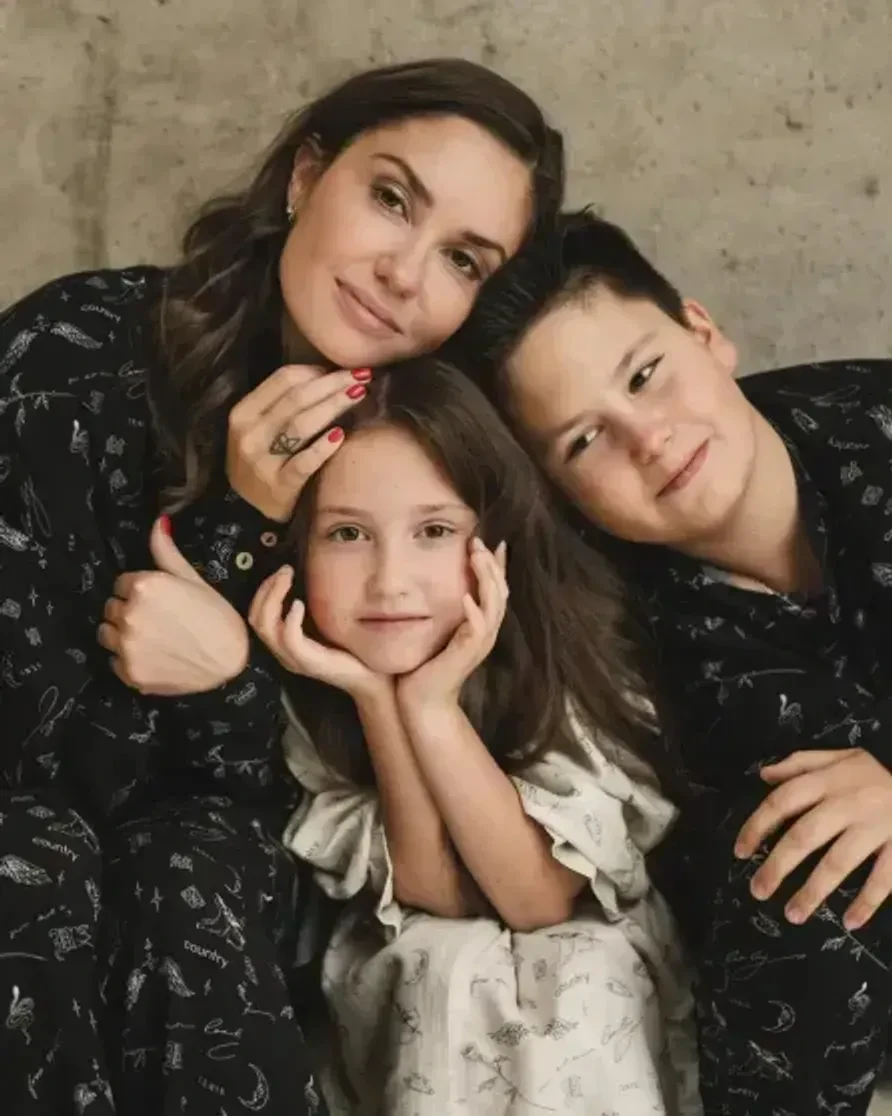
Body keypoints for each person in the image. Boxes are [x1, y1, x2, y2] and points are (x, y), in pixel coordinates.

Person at [0, 58, 563, 1114]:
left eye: (462, 259)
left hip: (247, 855)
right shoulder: (77, 353)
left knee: (190, 872)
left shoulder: (432, 445)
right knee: (32, 860)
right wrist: (237, 528)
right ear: (308, 175)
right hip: (34, 801)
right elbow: (39, 752)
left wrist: (228, 677)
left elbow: (271, 792)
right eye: (390, 199)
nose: (403, 274)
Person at [461, 207, 892, 1114]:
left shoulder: (875, 424)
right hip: (837, 954)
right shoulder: (608, 626)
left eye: (645, 375)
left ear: (703, 331)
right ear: (560, 494)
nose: (647, 437)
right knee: (798, 855)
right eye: (585, 441)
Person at [247, 362, 701, 1115]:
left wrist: (433, 709)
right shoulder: (306, 696)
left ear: (495, 540)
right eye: (347, 534)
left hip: (590, 952)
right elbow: (435, 894)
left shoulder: (567, 655)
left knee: (578, 972)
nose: (390, 581)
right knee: (437, 962)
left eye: (434, 532)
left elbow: (537, 900)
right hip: (418, 966)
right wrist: (378, 701)